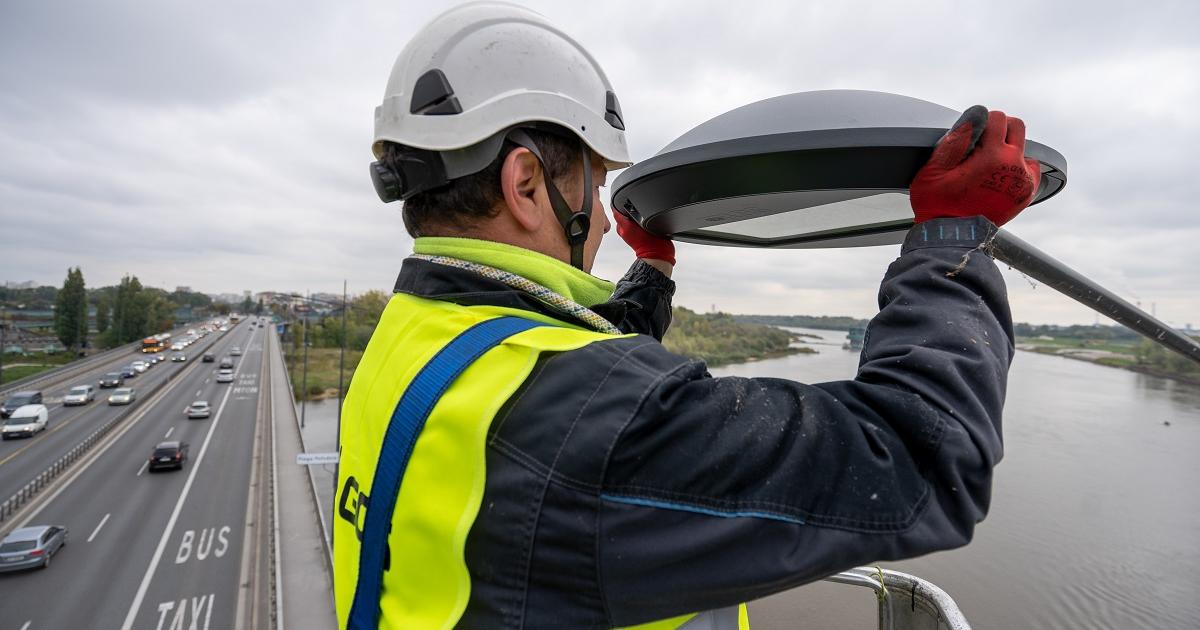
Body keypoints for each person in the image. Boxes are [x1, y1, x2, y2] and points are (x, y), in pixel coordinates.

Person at [334, 3, 1042, 629]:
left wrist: (654, 272)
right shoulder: (577, 421)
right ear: (526, 184)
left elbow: (568, 402)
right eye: (597, 183)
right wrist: (953, 236)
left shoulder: (414, 335)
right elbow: (918, 462)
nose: (606, 223)